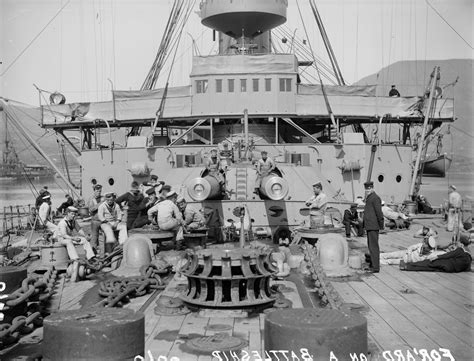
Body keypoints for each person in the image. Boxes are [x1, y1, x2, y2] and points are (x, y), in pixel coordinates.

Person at [400, 234, 471, 272]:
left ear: (462, 244)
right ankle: (407, 266)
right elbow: (467, 268)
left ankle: (407, 266)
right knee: (430, 268)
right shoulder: (469, 257)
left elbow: (449, 255)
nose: (456, 244)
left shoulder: (461, 250)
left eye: (458, 243)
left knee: (427, 263)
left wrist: (437, 257)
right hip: (450, 269)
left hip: (446, 264)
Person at [363, 181, 384, 273]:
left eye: (369, 188)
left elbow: (379, 213)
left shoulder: (375, 198)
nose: (367, 190)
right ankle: (372, 264)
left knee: (374, 247)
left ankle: (375, 267)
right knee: (371, 246)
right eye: (366, 188)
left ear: (372, 188)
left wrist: (381, 224)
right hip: (370, 225)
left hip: (373, 225)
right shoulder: (370, 197)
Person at [380, 236, 445, 265]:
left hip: (407, 261)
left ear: (429, 247)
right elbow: (411, 247)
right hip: (406, 254)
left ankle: (376, 262)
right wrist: (409, 254)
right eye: (425, 242)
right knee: (390, 254)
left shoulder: (430, 254)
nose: (424, 244)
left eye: (426, 244)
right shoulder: (420, 245)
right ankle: (374, 256)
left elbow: (441, 253)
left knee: (390, 261)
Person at [87, 184, 103, 251]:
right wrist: (100, 204)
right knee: (94, 238)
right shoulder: (91, 199)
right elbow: (91, 209)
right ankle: (93, 253)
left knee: (103, 238)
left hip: (102, 220)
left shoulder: (103, 198)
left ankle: (102, 253)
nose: (98, 193)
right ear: (94, 191)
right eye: (97, 191)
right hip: (95, 221)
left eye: (100, 191)